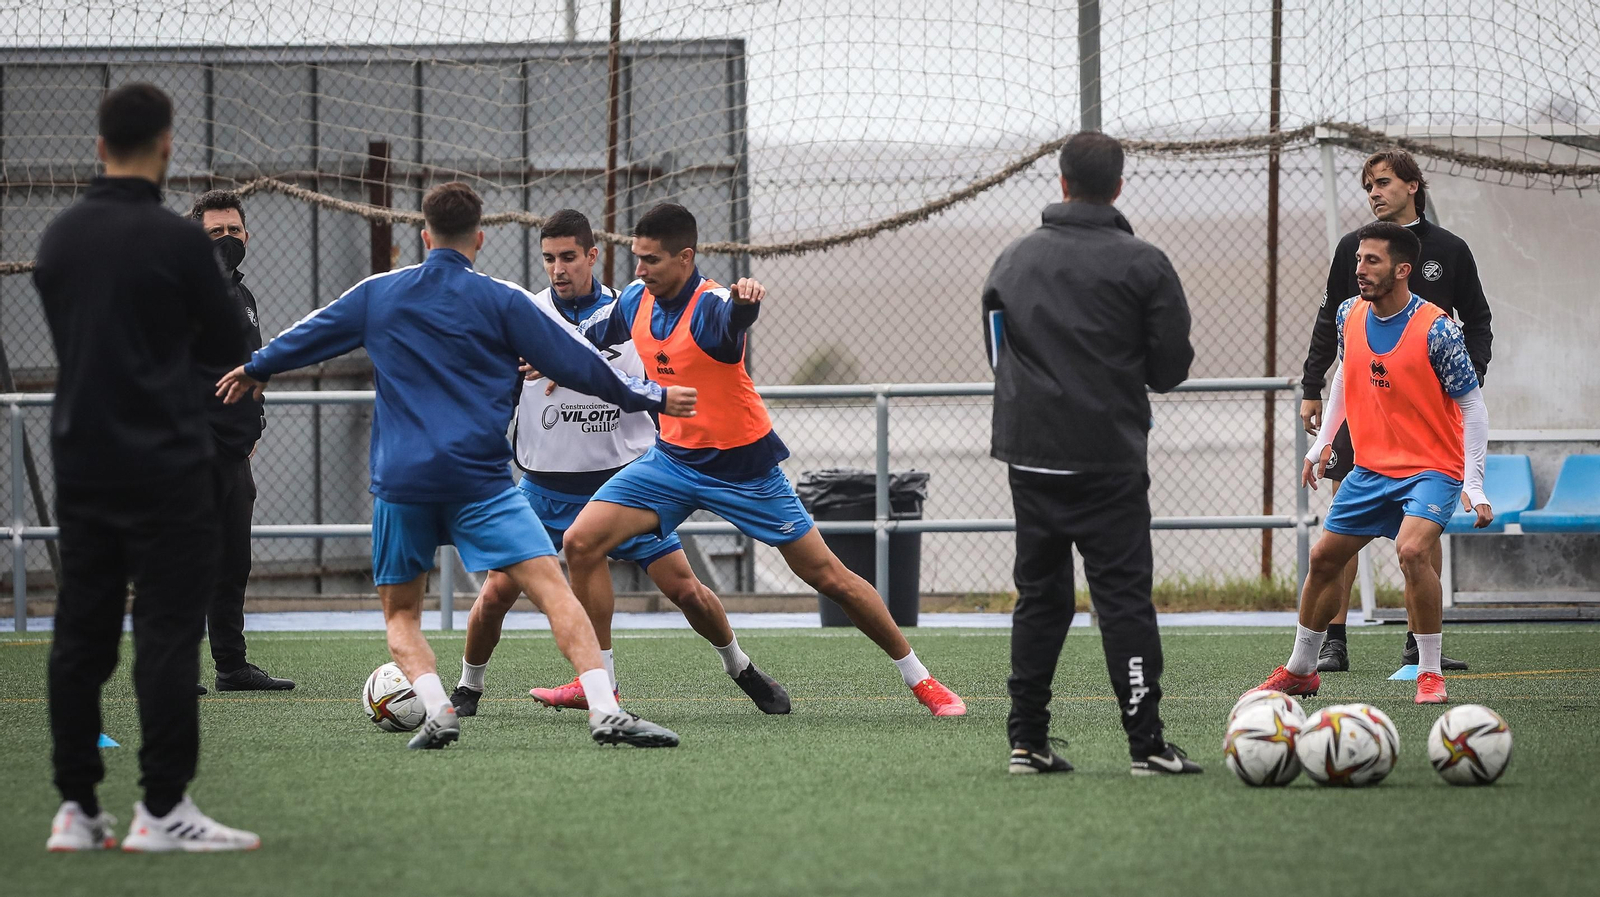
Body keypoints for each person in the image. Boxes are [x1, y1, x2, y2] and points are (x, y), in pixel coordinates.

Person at [216, 182, 692, 751]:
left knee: (402, 617)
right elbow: (579, 362)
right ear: (480, 238)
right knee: (555, 593)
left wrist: (257, 367)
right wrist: (653, 398)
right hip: (481, 482)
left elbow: (312, 332)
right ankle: (604, 708)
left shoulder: (380, 293)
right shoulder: (504, 300)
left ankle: (439, 707)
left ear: (424, 234)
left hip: (402, 483)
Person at [553, 202, 967, 717]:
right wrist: (545, 359)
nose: (638, 270)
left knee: (830, 578)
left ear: (686, 258)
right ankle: (602, 688)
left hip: (745, 473)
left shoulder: (712, 307)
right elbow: (591, 338)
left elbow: (734, 322)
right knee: (581, 541)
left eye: (651, 260)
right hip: (670, 464)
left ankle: (922, 680)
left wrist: (746, 304)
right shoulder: (635, 299)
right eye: (636, 258)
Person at [38, 83, 260, 852]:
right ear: (166, 145)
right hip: (169, 469)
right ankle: (162, 811)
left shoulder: (60, 239)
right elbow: (230, 336)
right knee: (166, 635)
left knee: (80, 632)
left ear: (98, 148)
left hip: (84, 466)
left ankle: (76, 810)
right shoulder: (178, 245)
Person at [453, 209, 789, 717]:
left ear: (593, 256)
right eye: (549, 259)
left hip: (619, 484)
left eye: (569, 257)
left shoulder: (633, 310)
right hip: (542, 489)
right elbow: (495, 391)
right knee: (497, 590)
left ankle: (741, 668)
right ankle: (467, 690)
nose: (559, 268)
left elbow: (668, 380)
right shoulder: (525, 316)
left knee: (686, 592)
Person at [983, 131, 1201, 776]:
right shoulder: (1145, 263)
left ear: (1061, 182)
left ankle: (1027, 740)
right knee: (1124, 600)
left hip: (1030, 456)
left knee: (1039, 597)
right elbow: (1169, 368)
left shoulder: (1012, 259)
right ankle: (1147, 746)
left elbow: (998, 356)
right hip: (1108, 458)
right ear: (1119, 186)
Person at [1258, 221, 1491, 705]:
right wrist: (1323, 442)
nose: (1359, 269)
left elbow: (1472, 406)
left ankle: (1428, 672)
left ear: (1403, 269)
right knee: (1323, 559)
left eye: (1372, 261)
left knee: (1411, 552)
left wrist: (1475, 482)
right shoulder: (1349, 313)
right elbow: (1345, 373)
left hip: (1432, 467)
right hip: (1371, 468)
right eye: (1358, 259)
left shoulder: (1439, 330)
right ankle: (1302, 669)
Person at [1299, 150, 1492, 673]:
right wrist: (1311, 386)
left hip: (1425, 418)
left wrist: (1465, 376)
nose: (1373, 193)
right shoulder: (1352, 248)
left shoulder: (1450, 250)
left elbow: (1477, 319)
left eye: (1382, 183)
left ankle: (1419, 645)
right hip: (1363, 405)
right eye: (1368, 186)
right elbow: (1329, 322)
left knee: (1420, 536)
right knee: (1342, 520)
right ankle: (1332, 641)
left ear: (1413, 185)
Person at [188, 189, 293, 694]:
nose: (227, 240)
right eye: (215, 233)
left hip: (234, 453)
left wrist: (256, 424)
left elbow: (250, 366)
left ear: (247, 235)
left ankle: (231, 666)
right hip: (191, 450)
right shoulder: (184, 291)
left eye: (233, 231)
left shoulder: (242, 296)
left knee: (233, 562)